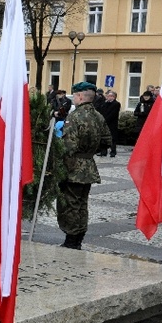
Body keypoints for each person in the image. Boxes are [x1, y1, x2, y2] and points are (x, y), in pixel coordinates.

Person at [57, 82, 111, 250]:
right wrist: (90, 152)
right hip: (88, 166)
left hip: (73, 167)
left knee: (70, 204)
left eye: (75, 96)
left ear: (80, 96)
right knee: (81, 204)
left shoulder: (75, 117)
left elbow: (68, 146)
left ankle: (71, 240)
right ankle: (78, 237)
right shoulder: (98, 116)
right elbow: (107, 141)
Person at [96, 91, 121, 157]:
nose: (108, 97)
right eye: (107, 96)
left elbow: (113, 114)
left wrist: (105, 120)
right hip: (104, 123)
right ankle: (103, 151)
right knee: (104, 137)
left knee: (112, 138)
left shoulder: (116, 104)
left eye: (110, 96)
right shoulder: (105, 103)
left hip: (112, 123)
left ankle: (113, 151)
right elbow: (101, 111)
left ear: (113, 97)